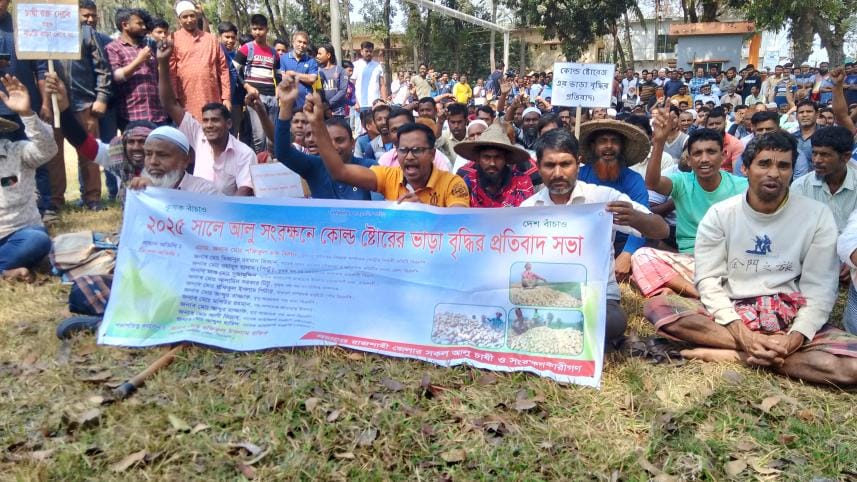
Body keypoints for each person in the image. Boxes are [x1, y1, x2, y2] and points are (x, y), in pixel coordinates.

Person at [644, 131, 857, 386]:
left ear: (793, 170)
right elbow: (709, 280)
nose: (774, 173)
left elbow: (820, 287)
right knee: (658, 307)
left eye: (783, 165)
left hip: (789, 314)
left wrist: (796, 337)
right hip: (733, 310)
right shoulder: (721, 214)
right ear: (745, 168)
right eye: (764, 164)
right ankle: (761, 351)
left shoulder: (817, 216)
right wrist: (745, 334)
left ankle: (737, 356)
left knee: (853, 368)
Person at [522, 129, 668, 348]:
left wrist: (636, 218)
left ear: (578, 163)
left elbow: (662, 230)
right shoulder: (528, 209)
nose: (558, 173)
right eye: (550, 165)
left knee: (609, 322)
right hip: (545, 297)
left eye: (566, 164)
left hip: (598, 298)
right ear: (538, 166)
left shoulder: (603, 199)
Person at [633, 114, 748, 298]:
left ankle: (695, 292)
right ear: (689, 159)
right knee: (641, 256)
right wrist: (659, 142)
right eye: (697, 153)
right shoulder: (682, 182)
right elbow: (652, 183)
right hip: (690, 262)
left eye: (711, 152)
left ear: (723, 155)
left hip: (728, 264)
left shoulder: (742, 187)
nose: (704, 159)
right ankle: (701, 294)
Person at [306, 91, 469, 207]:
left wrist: (424, 212)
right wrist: (317, 124)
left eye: (417, 150)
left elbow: (457, 227)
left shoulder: (453, 184)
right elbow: (339, 172)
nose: (410, 157)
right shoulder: (389, 176)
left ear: (433, 154)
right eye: (403, 150)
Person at [157, 39, 253, 196]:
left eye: (215, 120)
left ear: (229, 124)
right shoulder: (198, 135)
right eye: (205, 120)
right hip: (195, 211)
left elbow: (243, 193)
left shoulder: (244, 153)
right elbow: (170, 104)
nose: (209, 125)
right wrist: (163, 63)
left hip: (226, 214)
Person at [274, 76, 376, 200]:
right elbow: (283, 152)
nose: (333, 146)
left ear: (353, 143)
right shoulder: (314, 166)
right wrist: (285, 105)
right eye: (328, 141)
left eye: (340, 140)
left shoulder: (370, 167)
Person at [0, 75, 58, 282]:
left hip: (17, 234)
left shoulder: (17, 152)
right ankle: (6, 271)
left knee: (37, 240)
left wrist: (26, 114)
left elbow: (48, 150)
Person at [577, 119, 652, 277]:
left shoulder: (634, 180)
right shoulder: (580, 175)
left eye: (614, 141)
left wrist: (627, 253)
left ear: (621, 147)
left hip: (623, 243)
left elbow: (644, 220)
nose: (609, 146)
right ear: (593, 147)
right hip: (584, 242)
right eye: (603, 141)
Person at [106, 8, 168, 132]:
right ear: (125, 25)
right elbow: (116, 77)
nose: (144, 27)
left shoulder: (149, 47)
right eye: (139, 24)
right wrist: (139, 60)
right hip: (132, 116)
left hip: (158, 115)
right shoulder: (113, 48)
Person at [169, 1, 230, 120]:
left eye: (192, 15)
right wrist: (174, 100)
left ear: (197, 16)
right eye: (184, 17)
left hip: (211, 96)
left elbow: (223, 69)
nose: (189, 19)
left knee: (213, 130)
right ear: (179, 19)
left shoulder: (211, 39)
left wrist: (226, 97)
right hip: (185, 100)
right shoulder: (173, 39)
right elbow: (171, 72)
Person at [791, 125, 857, 231]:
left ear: (846, 157)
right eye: (814, 153)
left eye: (825, 155)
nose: (817, 160)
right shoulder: (800, 186)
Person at [452, 123, 534, 207]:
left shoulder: (521, 181)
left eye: (498, 157)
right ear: (478, 159)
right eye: (486, 157)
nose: (492, 163)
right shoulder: (469, 182)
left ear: (506, 159)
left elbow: (524, 215)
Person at [231, 14, 280, 154]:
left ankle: (271, 167)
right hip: (254, 97)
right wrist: (247, 86)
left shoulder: (274, 53)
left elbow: (278, 74)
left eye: (261, 29)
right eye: (254, 29)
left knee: (272, 139)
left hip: (272, 98)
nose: (257, 32)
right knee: (259, 137)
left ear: (267, 29)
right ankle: (259, 167)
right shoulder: (246, 49)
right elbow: (233, 69)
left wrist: (279, 90)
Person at [378, 108, 451, 171]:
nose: (400, 133)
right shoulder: (385, 160)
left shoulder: (436, 157)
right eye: (394, 130)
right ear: (389, 134)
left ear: (414, 126)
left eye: (404, 127)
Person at [279, 31, 317, 109]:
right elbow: (283, 78)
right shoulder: (283, 59)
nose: (302, 45)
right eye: (299, 42)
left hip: (306, 104)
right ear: (293, 43)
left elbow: (312, 79)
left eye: (304, 43)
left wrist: (293, 74)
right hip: (287, 104)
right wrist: (305, 77)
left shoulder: (311, 61)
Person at [704, 107, 744, 172]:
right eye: (711, 124)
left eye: (718, 123)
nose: (714, 127)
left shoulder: (735, 144)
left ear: (725, 124)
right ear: (706, 126)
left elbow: (737, 174)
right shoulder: (700, 143)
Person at [351, 41, 386, 113]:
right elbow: (351, 86)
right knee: (360, 124)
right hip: (360, 106)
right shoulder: (355, 65)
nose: (369, 53)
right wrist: (355, 102)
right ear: (361, 52)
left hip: (375, 105)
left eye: (370, 51)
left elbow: (382, 85)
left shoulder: (378, 66)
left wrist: (384, 102)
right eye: (366, 51)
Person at [317, 44, 348, 117]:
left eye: (320, 54)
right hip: (323, 111)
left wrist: (328, 104)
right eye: (317, 54)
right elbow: (317, 91)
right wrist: (324, 107)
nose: (317, 56)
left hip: (338, 112)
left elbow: (343, 90)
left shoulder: (340, 70)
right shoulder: (317, 71)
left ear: (328, 55)